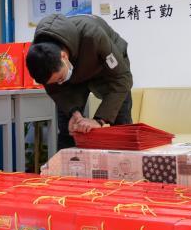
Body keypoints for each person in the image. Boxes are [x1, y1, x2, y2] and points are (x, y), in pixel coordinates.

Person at [25, 14, 133, 149]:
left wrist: (99, 120)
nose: (59, 83)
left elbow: (122, 78)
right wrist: (73, 112)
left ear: (63, 56)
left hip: (108, 67)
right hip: (74, 73)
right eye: (55, 81)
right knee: (69, 128)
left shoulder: (93, 35)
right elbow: (56, 91)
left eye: (60, 78)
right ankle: (68, 162)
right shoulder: (40, 58)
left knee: (121, 126)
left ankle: (124, 161)